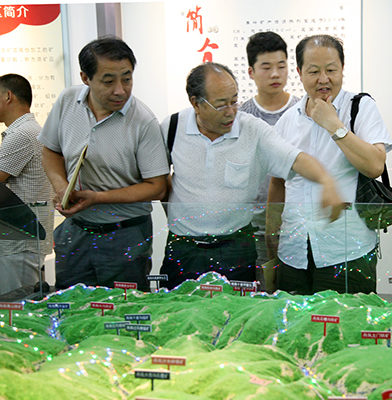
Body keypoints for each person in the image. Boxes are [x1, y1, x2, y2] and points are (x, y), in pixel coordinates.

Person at [159, 62, 344, 290]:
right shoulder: (172, 127)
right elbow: (158, 182)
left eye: (234, 101)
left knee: (237, 310)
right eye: (221, 105)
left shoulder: (253, 130)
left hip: (234, 248)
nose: (231, 111)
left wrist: (326, 181)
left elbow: (296, 159)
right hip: (183, 248)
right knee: (177, 307)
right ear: (196, 103)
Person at [38, 37, 169, 291]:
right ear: (85, 78)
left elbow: (157, 186)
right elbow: (50, 150)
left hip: (125, 235)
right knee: (72, 304)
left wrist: (98, 198)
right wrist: (61, 186)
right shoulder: (67, 101)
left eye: (127, 79)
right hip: (75, 231)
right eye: (108, 81)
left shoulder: (143, 121)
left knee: (126, 307)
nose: (120, 90)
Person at [268, 34, 392, 295]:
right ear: (300, 72)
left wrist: (333, 124)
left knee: (347, 321)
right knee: (293, 321)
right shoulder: (287, 120)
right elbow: (278, 182)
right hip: (293, 252)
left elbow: (375, 166)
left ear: (342, 69)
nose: (323, 79)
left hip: (348, 251)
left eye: (331, 70)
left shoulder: (360, 107)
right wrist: (272, 238)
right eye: (314, 71)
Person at [239, 31, 301, 289]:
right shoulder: (240, 116)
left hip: (295, 216)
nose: (275, 74)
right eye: (266, 67)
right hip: (252, 220)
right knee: (260, 289)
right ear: (251, 72)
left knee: (292, 291)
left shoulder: (302, 111)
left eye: (281, 66)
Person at [0, 74, 54, 295]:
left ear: (8, 96)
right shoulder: (28, 131)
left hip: (20, 243)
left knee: (15, 307)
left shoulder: (21, 134)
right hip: (21, 240)